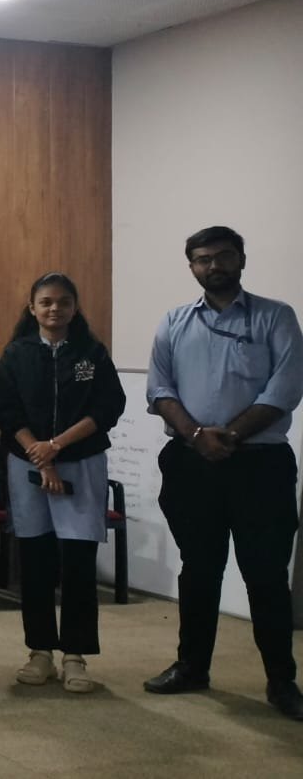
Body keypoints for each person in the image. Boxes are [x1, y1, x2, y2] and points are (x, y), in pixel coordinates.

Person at [142, 226, 303, 720]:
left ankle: (282, 681)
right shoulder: (174, 321)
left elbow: (285, 388)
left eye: (224, 256)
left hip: (260, 466)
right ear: (192, 266)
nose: (214, 266)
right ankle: (192, 666)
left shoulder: (276, 317)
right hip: (191, 466)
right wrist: (196, 436)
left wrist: (228, 435)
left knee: (266, 575)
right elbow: (159, 389)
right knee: (199, 570)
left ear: (241, 260)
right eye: (203, 258)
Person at [0, 272, 125, 693]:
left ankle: (75, 656)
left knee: (79, 562)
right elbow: (5, 412)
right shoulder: (16, 353)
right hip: (27, 464)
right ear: (32, 308)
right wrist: (39, 453)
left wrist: (57, 446)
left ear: (74, 307)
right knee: (36, 560)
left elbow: (108, 407)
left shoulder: (91, 353)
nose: (54, 309)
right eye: (46, 302)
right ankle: (41, 652)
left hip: (81, 463)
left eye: (63, 302)